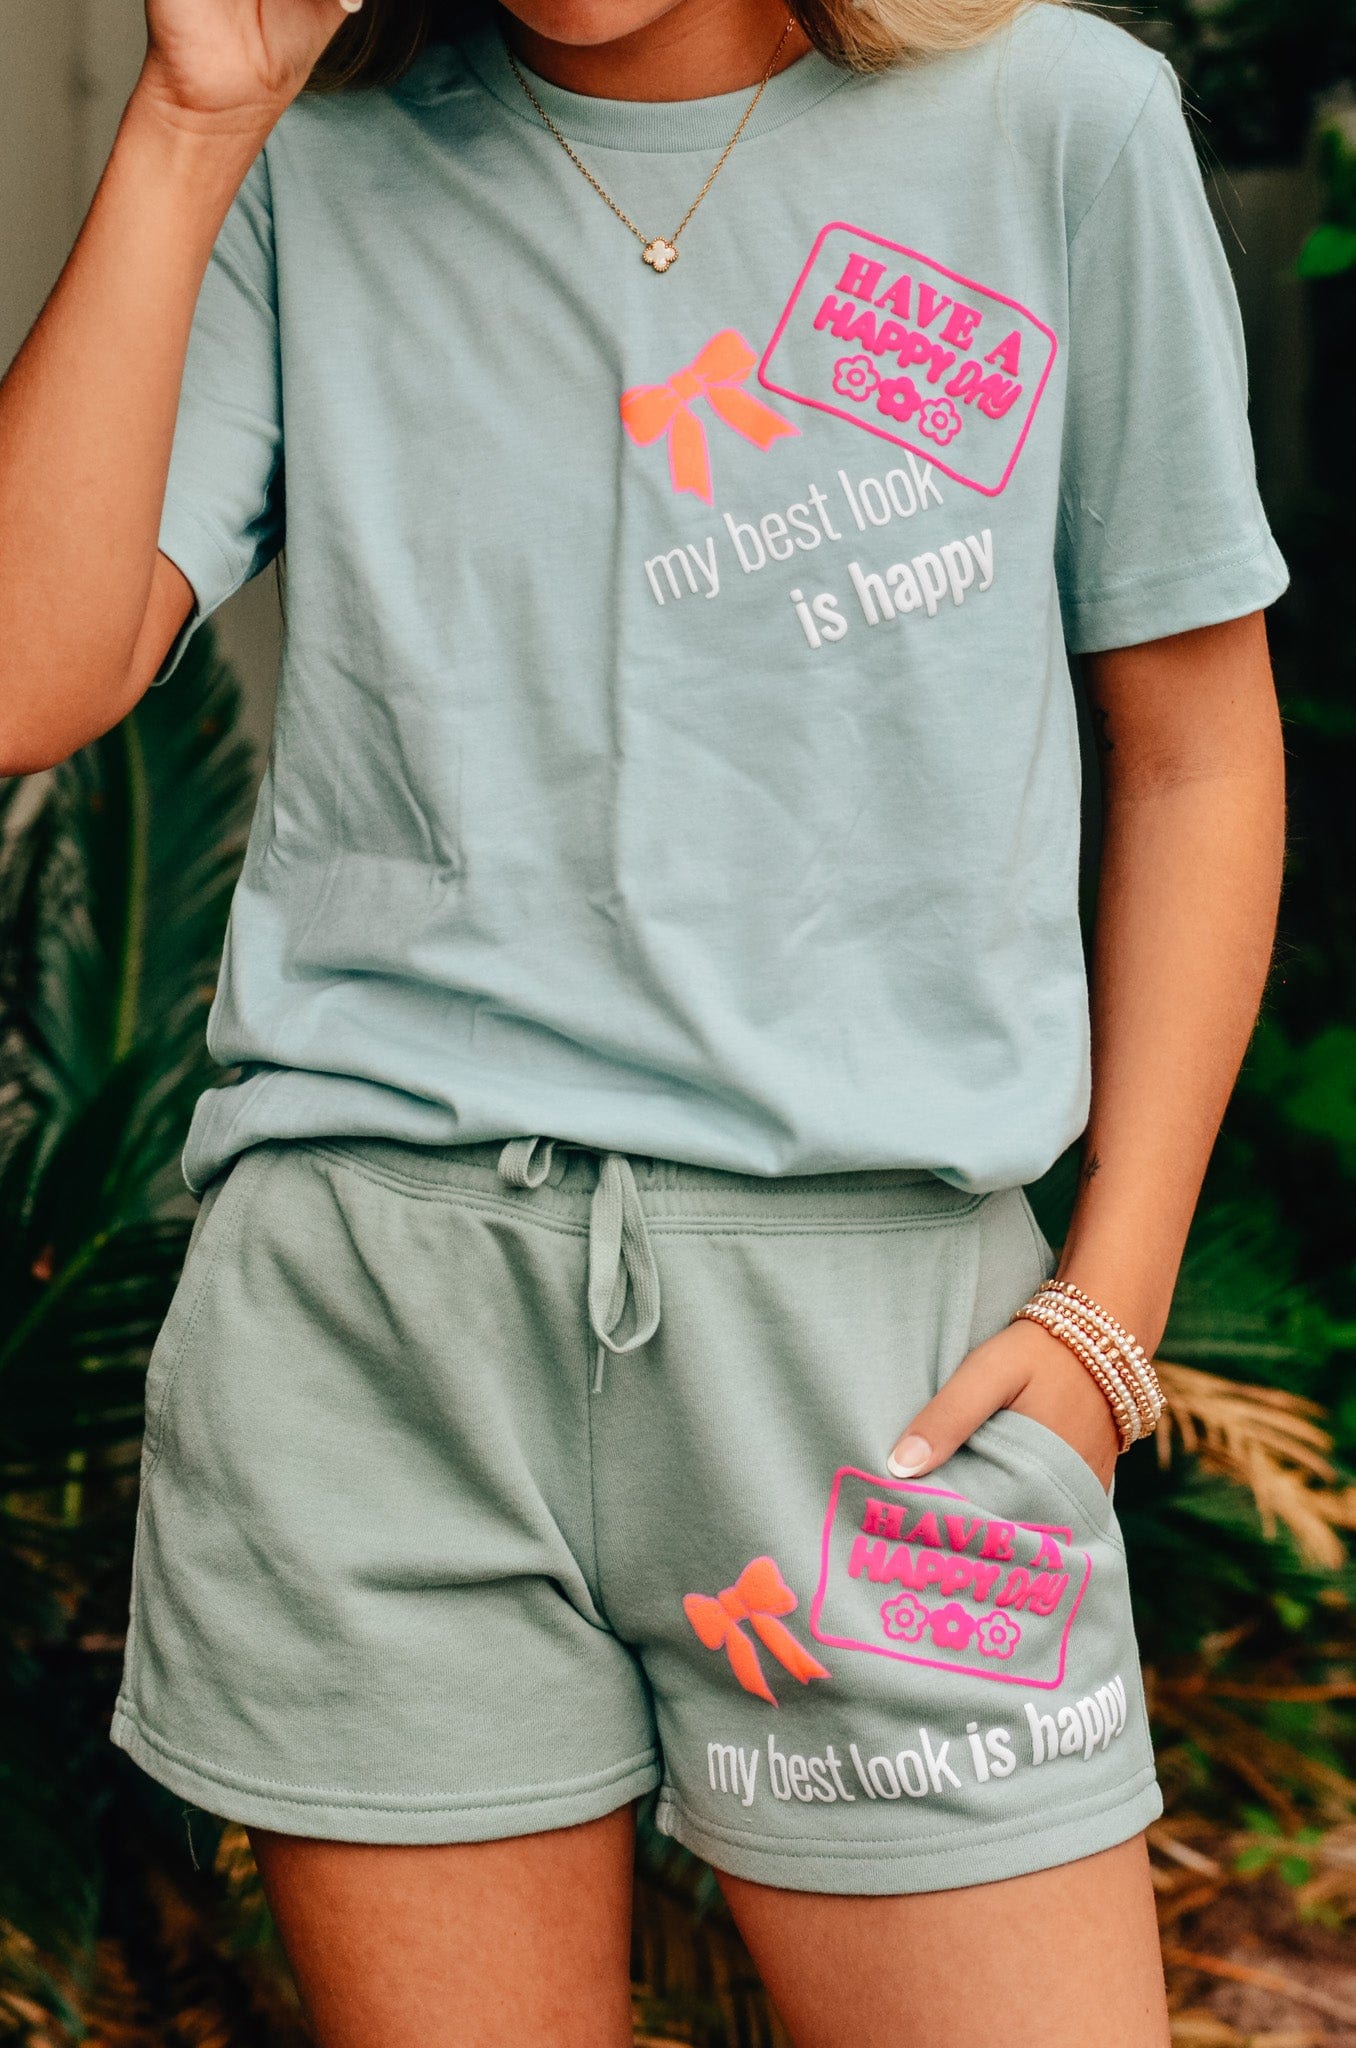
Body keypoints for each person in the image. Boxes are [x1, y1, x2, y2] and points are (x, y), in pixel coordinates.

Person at [0, 0, 1289, 2034]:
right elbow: (25, 678)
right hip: (375, 1346)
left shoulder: (1057, 123)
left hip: (890, 1366)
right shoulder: (296, 160)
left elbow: (1200, 751)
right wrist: (184, 123)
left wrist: (1106, 1322)